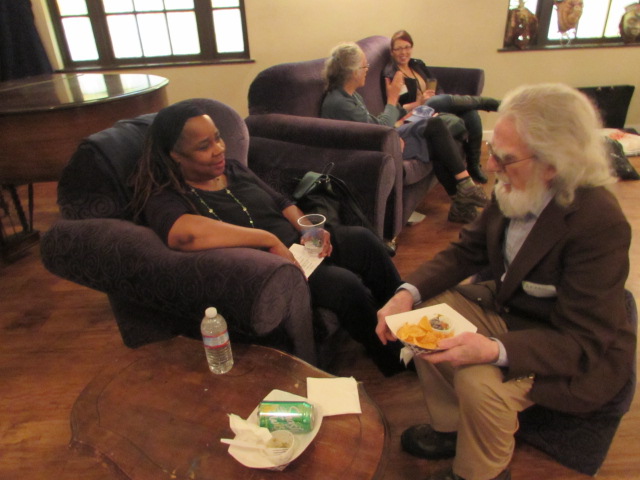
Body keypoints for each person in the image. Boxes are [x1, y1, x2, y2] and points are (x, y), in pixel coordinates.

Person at [376, 83, 636, 480]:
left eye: (506, 158)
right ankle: (453, 428)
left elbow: (582, 341)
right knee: (424, 318)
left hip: (564, 342)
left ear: (555, 163)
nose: (493, 166)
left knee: (477, 380)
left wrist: (492, 349)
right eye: (494, 152)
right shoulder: (517, 186)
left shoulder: (599, 223)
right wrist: (405, 294)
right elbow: (466, 251)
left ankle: (481, 472)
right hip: (513, 309)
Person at [130, 99, 404, 376]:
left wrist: (308, 229)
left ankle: (407, 317)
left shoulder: (233, 168)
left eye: (218, 138)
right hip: (275, 266)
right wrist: (267, 239)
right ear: (175, 155)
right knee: (346, 286)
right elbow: (183, 234)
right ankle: (395, 357)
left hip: (300, 246)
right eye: (204, 146)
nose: (219, 149)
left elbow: (281, 201)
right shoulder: (167, 196)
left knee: (364, 241)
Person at [320, 41, 488, 224]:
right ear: (352, 72)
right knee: (435, 129)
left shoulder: (350, 94)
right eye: (364, 66)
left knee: (435, 129)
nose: (367, 69)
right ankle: (465, 188)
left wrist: (415, 106)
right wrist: (392, 99)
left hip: (384, 136)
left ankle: (461, 199)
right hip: (375, 148)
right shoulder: (340, 103)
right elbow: (378, 128)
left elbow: (373, 122)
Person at [382, 30, 500, 185]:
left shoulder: (417, 65)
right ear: (392, 52)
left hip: (434, 106)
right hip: (415, 114)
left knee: (471, 114)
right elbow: (395, 107)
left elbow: (436, 86)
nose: (403, 52)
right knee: (436, 104)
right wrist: (420, 103)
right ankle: (493, 104)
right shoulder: (391, 74)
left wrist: (435, 97)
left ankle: (473, 165)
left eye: (407, 47)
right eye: (398, 49)